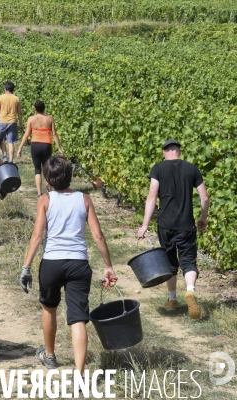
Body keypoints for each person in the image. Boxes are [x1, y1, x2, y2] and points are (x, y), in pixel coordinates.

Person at [19, 156, 117, 375]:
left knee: (49, 308)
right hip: (78, 264)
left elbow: (37, 236)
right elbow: (98, 235)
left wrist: (26, 267)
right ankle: (79, 374)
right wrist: (108, 266)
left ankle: (50, 356)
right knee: (78, 318)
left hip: (52, 262)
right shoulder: (84, 199)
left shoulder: (44, 200)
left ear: (48, 179)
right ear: (70, 176)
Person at [137, 140, 210, 319]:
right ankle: (190, 291)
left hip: (165, 225)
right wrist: (203, 218)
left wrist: (145, 224)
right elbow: (205, 198)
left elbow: (152, 196)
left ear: (164, 152)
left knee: (169, 262)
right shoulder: (192, 168)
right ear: (179, 151)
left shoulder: (158, 169)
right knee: (189, 261)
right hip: (186, 225)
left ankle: (172, 300)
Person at [17, 100, 63, 196]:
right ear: (44, 108)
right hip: (46, 144)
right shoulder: (50, 119)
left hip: (35, 145)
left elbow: (26, 134)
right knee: (47, 167)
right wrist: (59, 148)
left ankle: (39, 193)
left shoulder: (31, 119)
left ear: (35, 109)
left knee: (37, 169)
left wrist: (20, 148)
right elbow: (54, 134)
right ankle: (49, 188)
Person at [0, 82, 23, 162]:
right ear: (13, 89)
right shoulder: (16, 98)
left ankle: (4, 156)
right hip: (13, 122)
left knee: (2, 140)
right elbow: (19, 113)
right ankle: (11, 160)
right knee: (11, 142)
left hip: (3, 122)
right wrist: (21, 124)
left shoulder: (0, 98)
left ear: (5, 89)